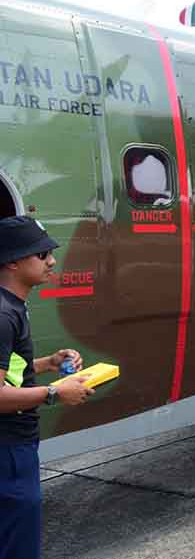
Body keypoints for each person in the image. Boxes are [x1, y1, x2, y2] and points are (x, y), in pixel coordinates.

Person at [0, 216, 92, 559]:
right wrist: (54, 392)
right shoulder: (3, 315)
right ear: (12, 261)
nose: (52, 261)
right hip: (8, 451)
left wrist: (49, 362)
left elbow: (9, 370)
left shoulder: (11, 306)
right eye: (42, 255)